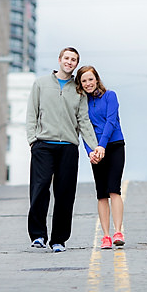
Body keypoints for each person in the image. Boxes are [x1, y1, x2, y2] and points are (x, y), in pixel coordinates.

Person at [26, 47, 105, 252]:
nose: (70, 62)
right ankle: (38, 235)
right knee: (40, 188)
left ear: (76, 64)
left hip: (68, 147)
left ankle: (59, 239)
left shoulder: (78, 90)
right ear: (60, 59)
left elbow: (84, 121)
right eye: (67, 58)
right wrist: (32, 140)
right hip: (43, 145)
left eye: (74, 60)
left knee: (65, 193)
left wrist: (95, 146)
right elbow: (31, 113)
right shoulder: (41, 84)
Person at [76, 65, 126, 250]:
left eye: (90, 79)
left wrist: (102, 145)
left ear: (96, 79)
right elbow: (83, 128)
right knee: (101, 193)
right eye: (84, 81)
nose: (88, 83)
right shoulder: (82, 103)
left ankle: (118, 232)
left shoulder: (110, 96)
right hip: (95, 150)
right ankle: (105, 236)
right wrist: (91, 151)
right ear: (80, 84)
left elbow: (111, 121)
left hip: (113, 145)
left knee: (114, 189)